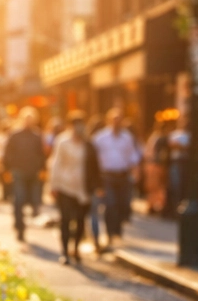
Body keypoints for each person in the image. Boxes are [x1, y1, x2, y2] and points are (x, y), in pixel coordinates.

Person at [48, 110, 97, 264]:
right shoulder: (62, 142)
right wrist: (53, 185)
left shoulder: (88, 144)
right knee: (66, 220)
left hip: (83, 188)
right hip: (65, 186)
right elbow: (56, 164)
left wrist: (97, 186)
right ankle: (65, 252)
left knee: (81, 220)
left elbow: (95, 166)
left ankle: (75, 249)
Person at [91, 109, 140, 248]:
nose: (117, 122)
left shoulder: (127, 137)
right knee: (110, 204)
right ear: (109, 120)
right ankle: (110, 233)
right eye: (114, 119)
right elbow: (92, 157)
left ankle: (118, 231)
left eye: (119, 119)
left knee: (122, 204)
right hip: (107, 176)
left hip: (123, 175)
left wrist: (135, 170)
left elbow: (132, 156)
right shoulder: (100, 138)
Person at [3, 109, 46, 242]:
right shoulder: (15, 135)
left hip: (33, 173)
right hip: (18, 172)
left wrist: (42, 169)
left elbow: (42, 154)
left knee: (33, 200)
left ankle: (25, 221)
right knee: (19, 199)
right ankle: (20, 227)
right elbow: (7, 153)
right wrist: (7, 169)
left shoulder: (37, 136)